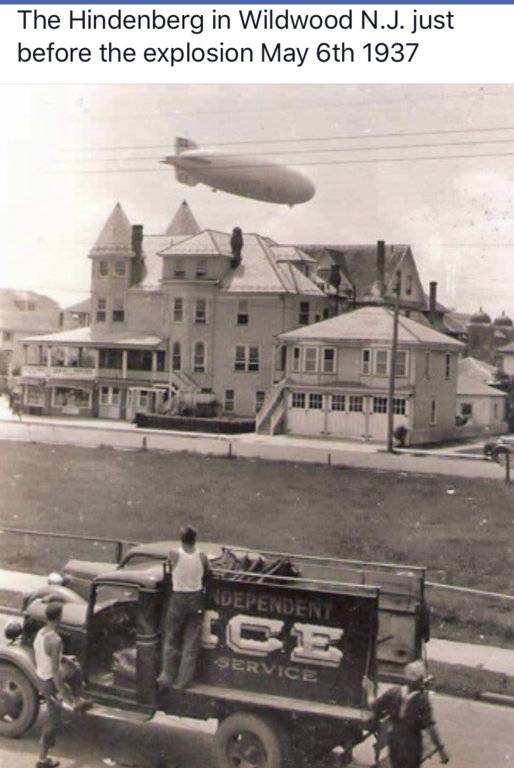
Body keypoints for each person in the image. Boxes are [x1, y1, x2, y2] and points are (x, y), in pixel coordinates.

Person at [33, 602, 90, 768]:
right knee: (53, 720)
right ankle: (42, 760)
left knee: (75, 667)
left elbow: (47, 655)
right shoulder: (56, 640)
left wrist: (65, 658)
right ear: (59, 616)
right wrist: (63, 694)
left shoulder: (41, 633)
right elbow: (56, 672)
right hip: (49, 681)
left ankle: (77, 700)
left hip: (42, 675)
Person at [363, 660, 449, 768]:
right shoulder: (422, 700)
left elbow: (373, 705)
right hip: (413, 745)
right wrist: (441, 751)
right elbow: (431, 728)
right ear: (421, 679)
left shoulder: (394, 692)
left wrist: (370, 691)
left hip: (395, 742)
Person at [158, 525, 210, 691]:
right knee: (191, 641)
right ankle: (183, 681)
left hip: (179, 598)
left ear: (181, 538)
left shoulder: (174, 554)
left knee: (171, 637)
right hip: (196, 598)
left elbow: (169, 568)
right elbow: (208, 574)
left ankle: (167, 676)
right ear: (195, 539)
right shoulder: (202, 556)